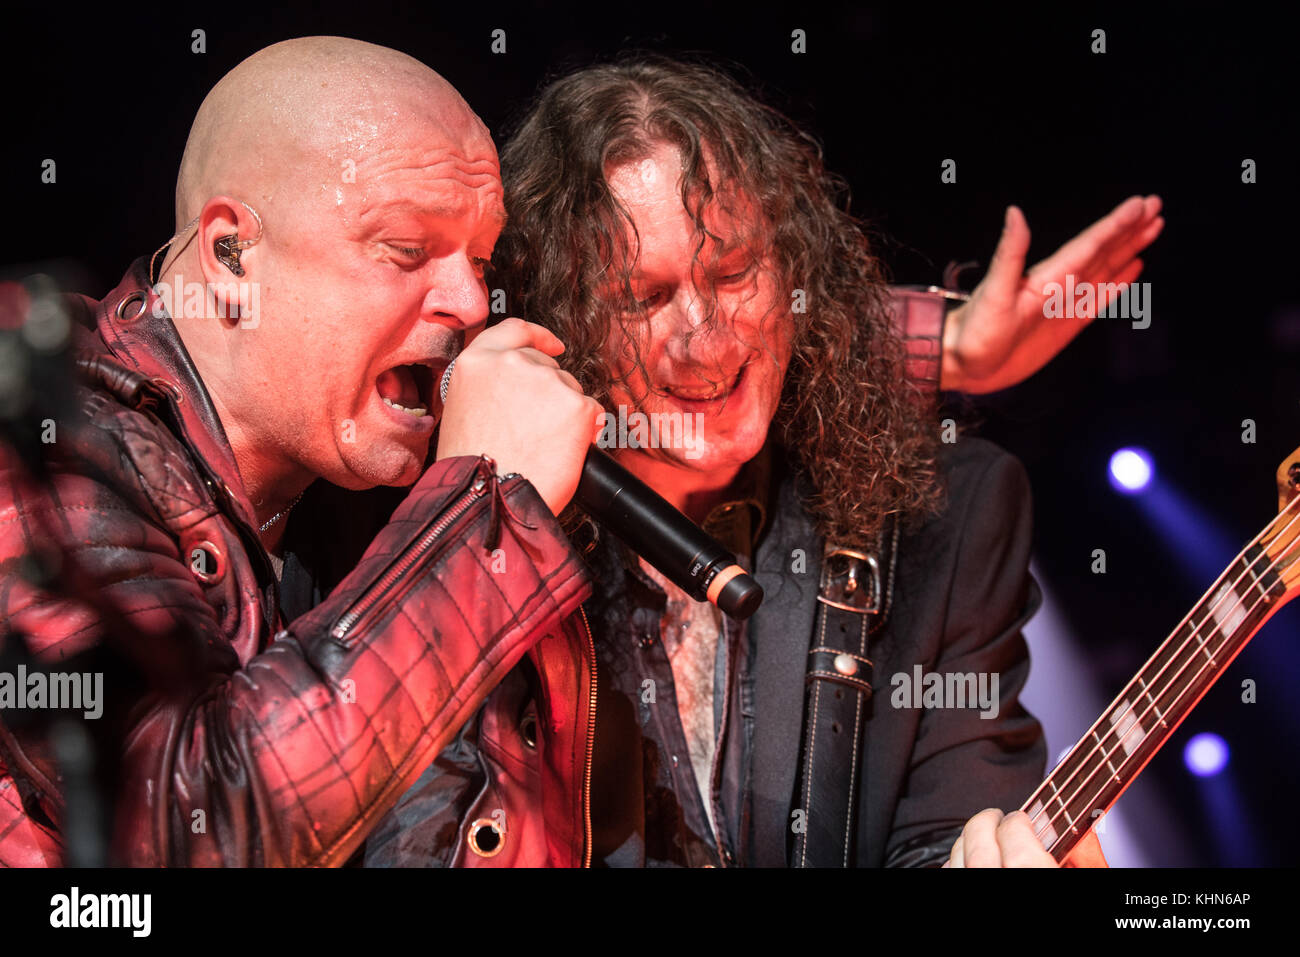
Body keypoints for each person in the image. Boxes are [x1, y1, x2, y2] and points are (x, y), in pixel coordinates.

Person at [365, 56, 1162, 867]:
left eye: (735, 270)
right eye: (643, 296)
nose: (706, 337)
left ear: (795, 271)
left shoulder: (946, 514)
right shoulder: (468, 542)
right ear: (557, 320)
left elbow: (939, 837)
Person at [0, 36, 605, 866]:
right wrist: (477, 518)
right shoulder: (42, 447)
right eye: (404, 248)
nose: (470, 302)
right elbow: (185, 822)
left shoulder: (372, 487)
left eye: (479, 259)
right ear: (230, 254)